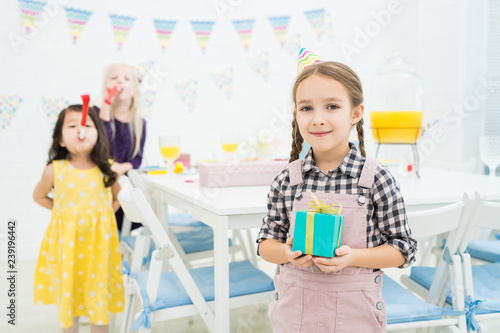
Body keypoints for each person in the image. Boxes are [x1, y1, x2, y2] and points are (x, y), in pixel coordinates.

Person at [256, 56, 417, 332]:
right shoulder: (288, 180)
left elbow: (404, 250)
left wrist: (353, 257)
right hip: (294, 318)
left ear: (355, 113)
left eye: (332, 106)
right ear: (296, 114)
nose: (318, 119)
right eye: (306, 108)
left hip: (355, 319)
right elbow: (264, 244)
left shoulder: (376, 179)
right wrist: (285, 251)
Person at [33, 105, 124, 332]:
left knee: (98, 296)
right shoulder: (55, 170)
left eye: (87, 125)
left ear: (98, 135)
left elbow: (117, 198)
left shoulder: (107, 170)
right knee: (70, 298)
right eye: (72, 126)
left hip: (99, 249)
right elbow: (39, 196)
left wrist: (102, 217)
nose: (80, 130)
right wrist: (64, 213)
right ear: (61, 140)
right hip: (67, 248)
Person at [97, 63, 146, 232]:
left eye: (126, 79)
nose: (120, 82)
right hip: (99, 183)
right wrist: (106, 103)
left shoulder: (139, 123)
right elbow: (102, 139)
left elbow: (137, 159)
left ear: (134, 90)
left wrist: (120, 167)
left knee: (124, 228)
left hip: (124, 185)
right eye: (114, 78)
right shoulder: (96, 113)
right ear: (105, 86)